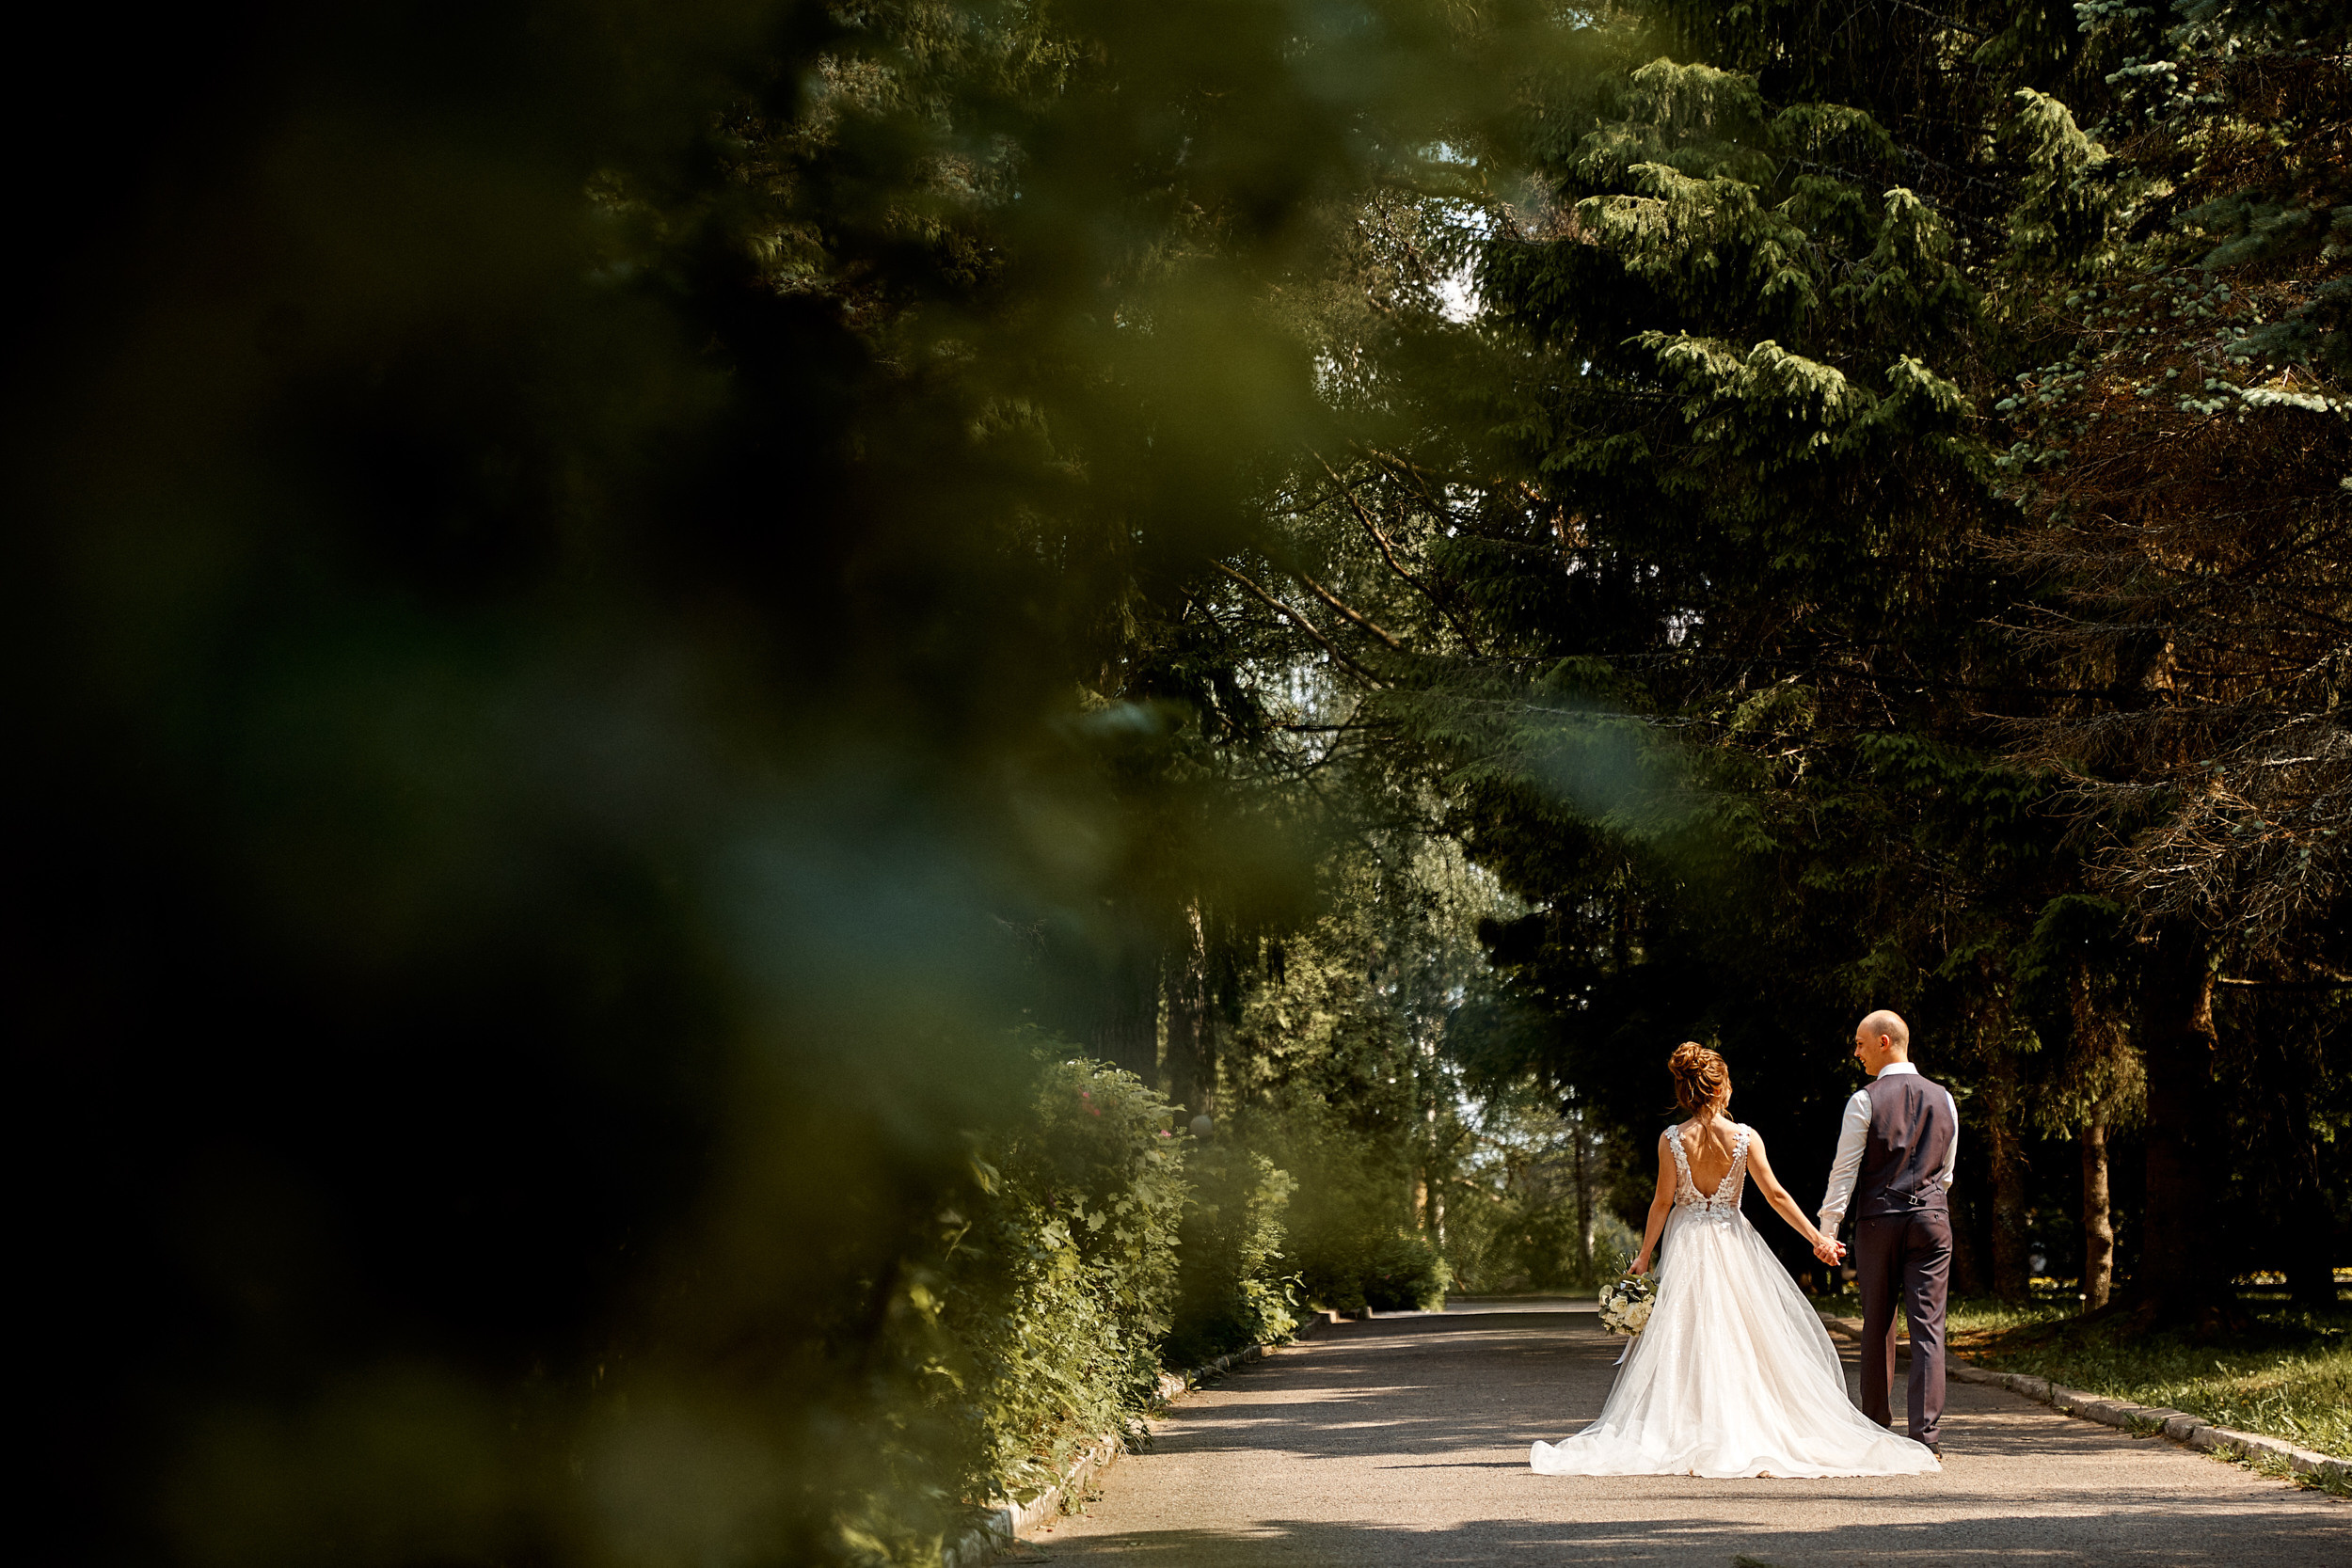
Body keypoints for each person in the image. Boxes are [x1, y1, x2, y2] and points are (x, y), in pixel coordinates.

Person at [1531, 1043, 1938, 1479]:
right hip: (1731, 1241)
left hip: (1686, 1243)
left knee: (1685, 1336)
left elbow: (1662, 1202)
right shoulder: (1744, 1137)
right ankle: (1743, 1425)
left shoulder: (1672, 1140)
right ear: (1723, 1087)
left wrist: (1645, 1256)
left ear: (1685, 1092)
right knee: (1740, 1335)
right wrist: (1818, 1238)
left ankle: (1688, 1426)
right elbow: (1776, 1195)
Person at [1818, 1008, 1959, 1457]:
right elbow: (1947, 1171)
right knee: (1929, 1328)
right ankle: (1926, 1438)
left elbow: (1845, 1172)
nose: (1855, 1052)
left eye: (1860, 1043)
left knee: (1877, 1323)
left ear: (1884, 1042)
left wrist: (1828, 1229)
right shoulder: (1945, 1099)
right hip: (1933, 1221)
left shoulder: (1864, 1100)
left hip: (1880, 1220)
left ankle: (1876, 1429)